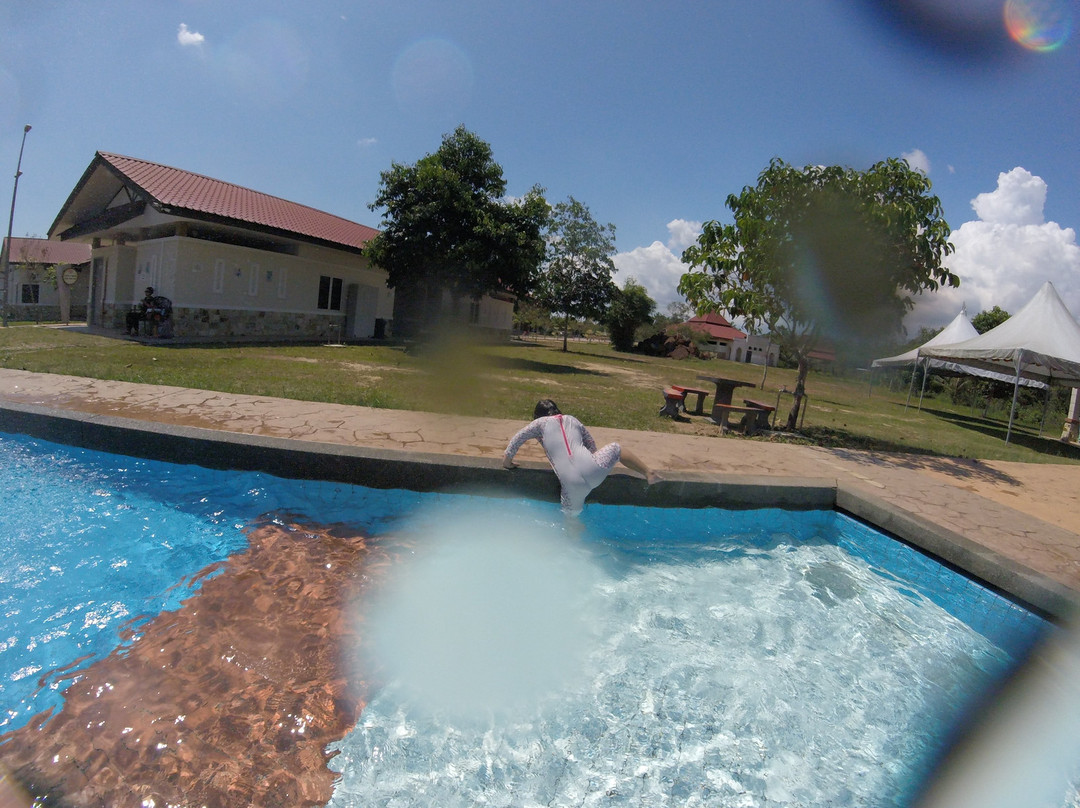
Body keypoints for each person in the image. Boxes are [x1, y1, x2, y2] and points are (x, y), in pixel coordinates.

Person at [503, 399, 654, 515]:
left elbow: (518, 437)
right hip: (595, 471)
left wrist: (507, 461)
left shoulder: (538, 424)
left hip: (572, 487)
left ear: (537, 416)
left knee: (571, 518)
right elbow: (591, 443)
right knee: (617, 448)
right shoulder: (572, 419)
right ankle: (648, 472)